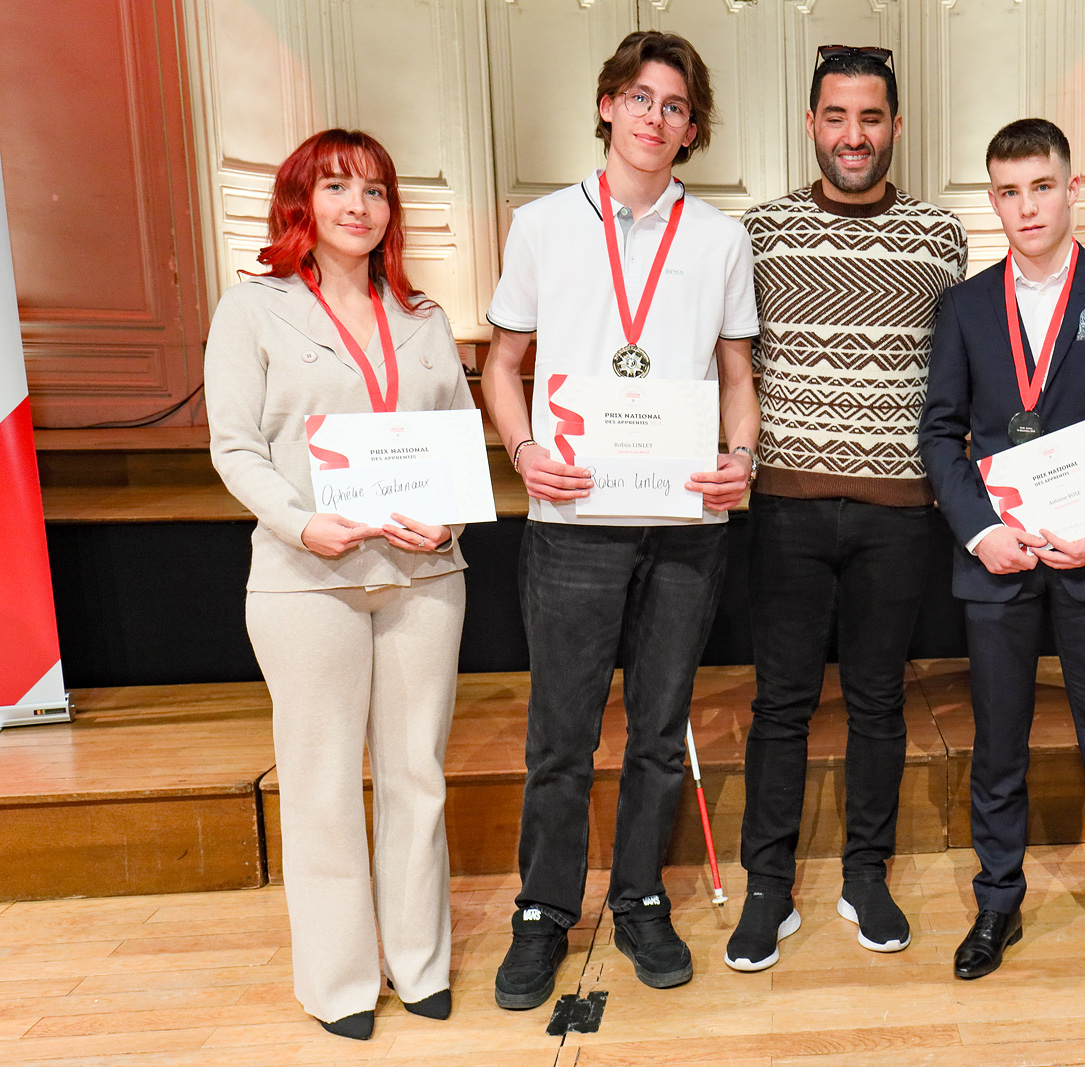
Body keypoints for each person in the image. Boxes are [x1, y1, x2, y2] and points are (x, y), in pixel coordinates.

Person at [478, 30, 759, 1008]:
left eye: (674, 105)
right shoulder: (541, 226)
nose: (655, 117)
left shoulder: (719, 239)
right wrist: (523, 452)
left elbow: (736, 374)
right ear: (607, 105)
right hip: (571, 517)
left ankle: (639, 894)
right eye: (640, 97)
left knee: (658, 728)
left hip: (685, 523)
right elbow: (500, 365)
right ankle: (543, 909)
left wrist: (740, 459)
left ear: (692, 128)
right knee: (560, 735)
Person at [207, 129, 472, 1039]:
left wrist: (451, 520)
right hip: (306, 578)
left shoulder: (423, 315)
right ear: (301, 201)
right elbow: (234, 446)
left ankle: (420, 961)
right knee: (321, 783)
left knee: (416, 775)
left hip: (423, 572)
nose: (358, 205)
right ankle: (340, 982)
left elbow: (459, 440)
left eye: (375, 190)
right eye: (336, 187)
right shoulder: (254, 309)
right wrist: (300, 522)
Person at [919, 118, 1085, 983]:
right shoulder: (964, 305)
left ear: (1073, 190)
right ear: (992, 200)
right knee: (998, 743)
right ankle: (997, 900)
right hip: (999, 556)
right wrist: (982, 530)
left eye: (1041, 186)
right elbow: (940, 433)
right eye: (1008, 191)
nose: (1026, 206)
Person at [725, 45, 968, 972]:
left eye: (870, 118)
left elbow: (958, 373)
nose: (853, 135)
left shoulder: (940, 235)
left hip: (898, 509)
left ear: (896, 126)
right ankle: (768, 884)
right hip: (786, 503)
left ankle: (867, 874)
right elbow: (734, 367)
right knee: (780, 704)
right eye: (836, 116)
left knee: (877, 701)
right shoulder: (761, 232)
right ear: (812, 124)